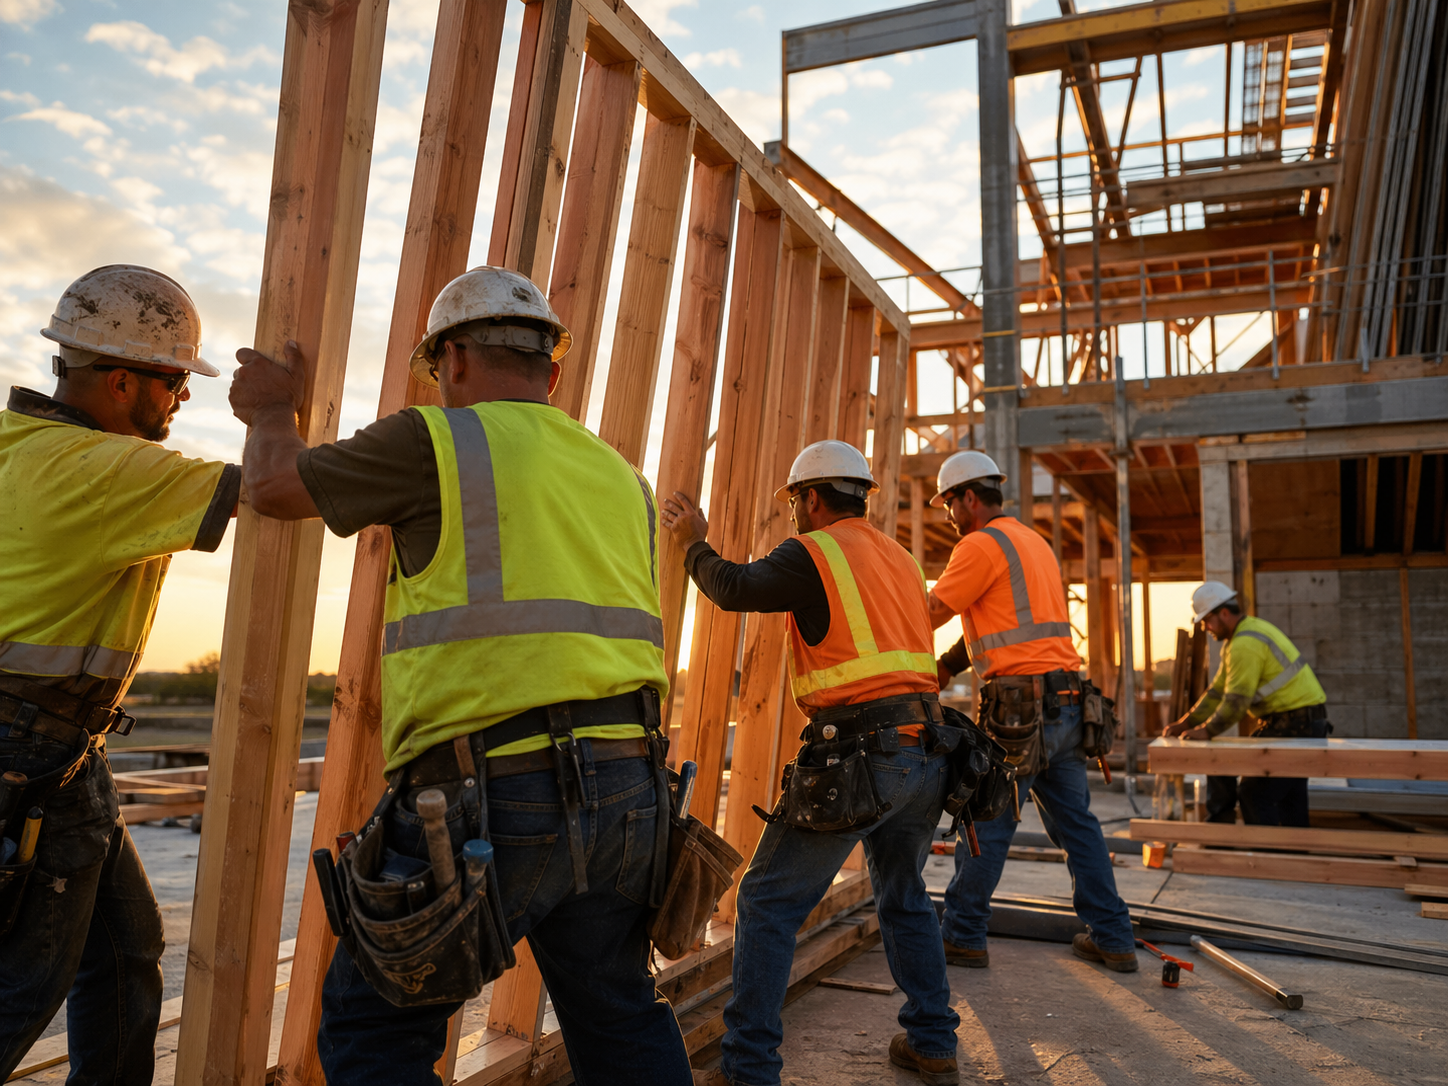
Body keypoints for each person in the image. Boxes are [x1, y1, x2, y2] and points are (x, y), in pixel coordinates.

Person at [228, 266, 692, 1086]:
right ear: (552, 372)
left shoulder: (433, 442)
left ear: (456, 361)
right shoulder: (623, 478)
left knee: (374, 1030)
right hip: (631, 793)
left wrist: (271, 408)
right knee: (620, 1020)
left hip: (490, 793)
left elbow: (270, 487)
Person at [0, 266, 239, 1082]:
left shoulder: (18, 445)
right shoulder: (99, 468)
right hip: (26, 749)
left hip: (62, 749)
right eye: (175, 383)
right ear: (125, 380)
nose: (179, 403)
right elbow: (274, 488)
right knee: (23, 985)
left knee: (125, 946)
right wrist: (274, 413)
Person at [661, 440, 961, 1086]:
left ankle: (749, 1069)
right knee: (905, 897)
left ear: (812, 498)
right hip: (927, 751)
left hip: (859, 756)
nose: (794, 514)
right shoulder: (902, 561)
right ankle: (933, 1042)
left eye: (796, 502)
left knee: (767, 902)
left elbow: (734, 588)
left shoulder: (816, 551)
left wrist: (693, 543)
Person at [926, 451, 1137, 974]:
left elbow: (929, 613)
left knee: (986, 821)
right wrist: (948, 668)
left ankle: (963, 935)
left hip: (1018, 715)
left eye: (949, 504)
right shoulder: (1031, 541)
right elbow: (1003, 623)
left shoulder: (978, 545)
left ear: (969, 498)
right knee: (1079, 828)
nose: (948, 515)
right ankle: (1114, 938)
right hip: (1068, 706)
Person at [1164, 581, 1330, 827]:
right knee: (1288, 798)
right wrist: (1186, 723)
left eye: (1207, 621)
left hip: (1296, 727)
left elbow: (1236, 702)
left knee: (1255, 793)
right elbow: (1216, 692)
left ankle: (1265, 859)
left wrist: (1206, 731)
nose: (1206, 628)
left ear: (1223, 613)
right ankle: (1295, 857)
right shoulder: (1240, 640)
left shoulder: (1245, 643)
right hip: (1300, 724)